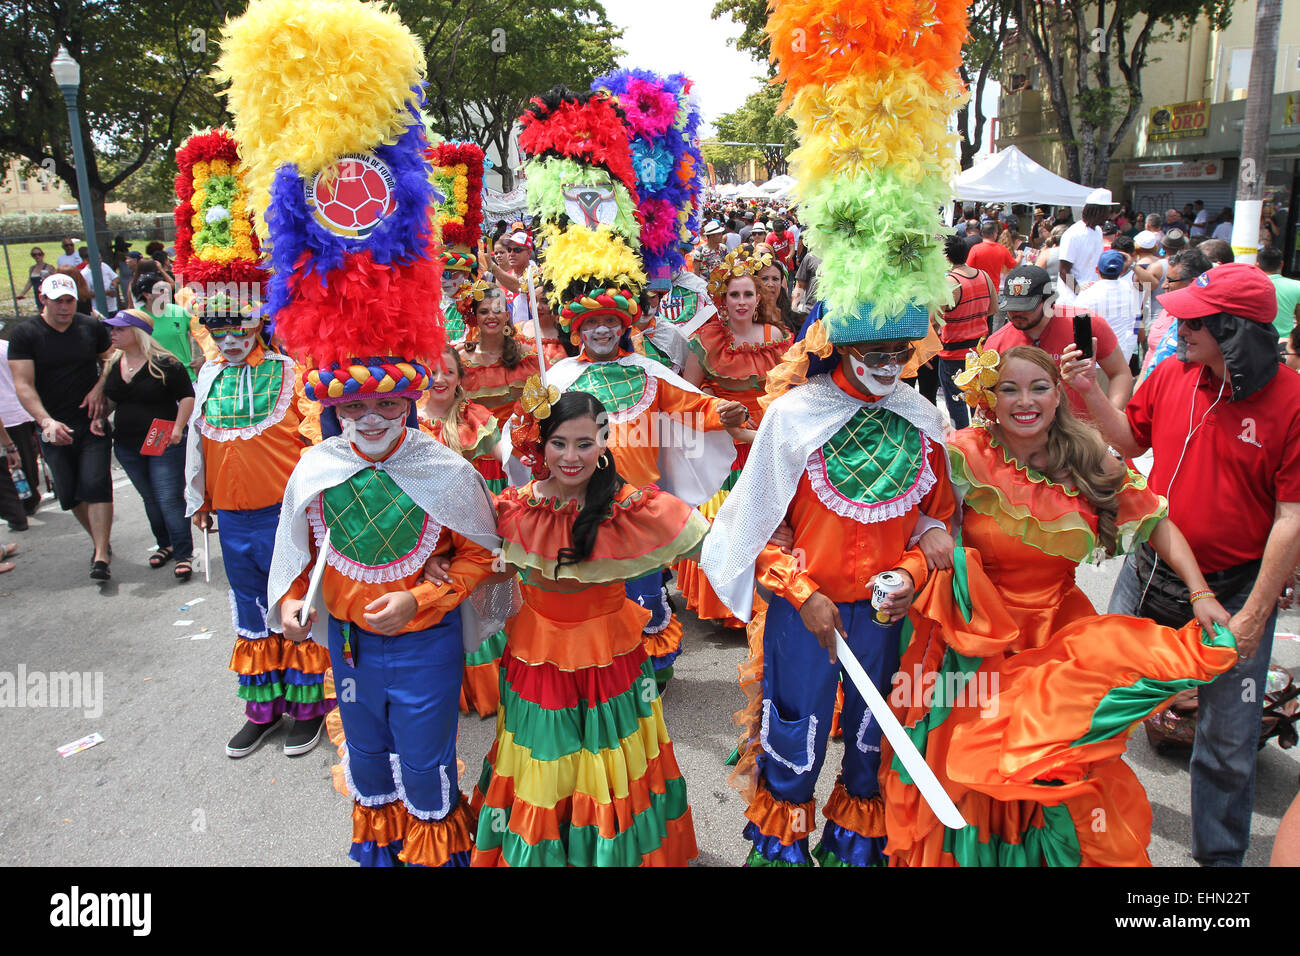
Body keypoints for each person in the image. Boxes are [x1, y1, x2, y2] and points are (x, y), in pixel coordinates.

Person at [880, 344, 1237, 866]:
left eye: (1039, 387)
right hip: (978, 641)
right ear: (988, 398)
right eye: (1009, 389)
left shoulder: (1086, 457)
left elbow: (1156, 520)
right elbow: (906, 513)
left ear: (1058, 394)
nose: (1025, 401)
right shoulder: (961, 452)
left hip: (1058, 639)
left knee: (1052, 770)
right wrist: (923, 543)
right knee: (976, 768)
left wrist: (1200, 592)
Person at [1063, 261, 1300, 866]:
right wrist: (1090, 392)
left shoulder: (1293, 404)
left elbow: (1291, 519)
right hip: (1148, 573)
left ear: (1236, 331)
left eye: (1194, 319)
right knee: (1096, 708)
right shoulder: (1171, 373)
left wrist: (1252, 615)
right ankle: (1073, 839)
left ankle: (1217, 872)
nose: (1178, 324)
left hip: (1235, 592)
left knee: (1226, 745)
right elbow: (1131, 441)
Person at [471, 389, 707, 866]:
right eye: (559, 443)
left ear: (604, 441)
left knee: (610, 756)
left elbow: (714, 549)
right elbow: (469, 560)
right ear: (540, 444)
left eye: (585, 443)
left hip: (612, 661)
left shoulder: (631, 506)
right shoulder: (514, 508)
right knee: (544, 759)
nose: (571, 457)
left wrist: (777, 543)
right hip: (537, 662)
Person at [183, 304, 322, 758]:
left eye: (238, 327)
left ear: (258, 325)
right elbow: (199, 441)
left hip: (284, 519)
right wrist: (201, 499)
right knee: (251, 611)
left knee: (292, 603)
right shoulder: (209, 376)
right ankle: (263, 712)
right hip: (231, 519)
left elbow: (317, 440)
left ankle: (308, 710)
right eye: (216, 329)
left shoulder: (291, 374)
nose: (229, 339)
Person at [676, 249, 790, 631]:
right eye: (733, 295)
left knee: (766, 517)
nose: (741, 302)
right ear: (721, 299)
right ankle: (726, 604)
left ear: (759, 298)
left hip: (766, 438)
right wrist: (724, 420)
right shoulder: (706, 339)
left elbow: (792, 393)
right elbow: (687, 396)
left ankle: (766, 597)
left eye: (747, 295)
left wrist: (760, 432)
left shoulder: (779, 338)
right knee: (726, 518)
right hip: (722, 442)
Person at [418, 346, 510, 720]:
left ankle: (487, 686)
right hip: (422, 530)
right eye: (432, 371)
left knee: (477, 597)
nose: (439, 379)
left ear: (459, 379)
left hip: (468, 524)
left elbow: (510, 458)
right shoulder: (407, 420)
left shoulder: (474, 416)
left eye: (448, 373)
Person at [8, 274, 114, 579]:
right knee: (70, 492)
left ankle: (102, 555)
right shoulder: (26, 334)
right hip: (52, 424)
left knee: (96, 483)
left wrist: (100, 388)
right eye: (59, 302)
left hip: (91, 422)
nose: (65, 308)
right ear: (43, 300)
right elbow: (23, 385)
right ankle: (99, 539)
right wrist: (46, 421)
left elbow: (111, 358)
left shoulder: (89, 326)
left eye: (70, 301)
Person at [97, 310, 195, 581]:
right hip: (127, 443)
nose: (113, 334)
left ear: (137, 332)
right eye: (112, 329)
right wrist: (100, 418)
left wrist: (177, 427)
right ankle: (166, 544)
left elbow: (186, 397)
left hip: (163, 439)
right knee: (150, 497)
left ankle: (184, 552)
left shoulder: (166, 363)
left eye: (119, 329)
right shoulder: (113, 362)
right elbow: (114, 398)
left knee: (168, 497)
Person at [985, 265, 1132, 420]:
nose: (1017, 313)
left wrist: (1111, 420)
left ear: (1049, 302)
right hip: (1024, 436)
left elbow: (1120, 373)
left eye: (1026, 307)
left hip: (1081, 435)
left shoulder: (1086, 325)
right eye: (1012, 307)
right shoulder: (997, 343)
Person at [455, 281, 539, 428]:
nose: (491, 316)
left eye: (497, 311)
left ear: (507, 315)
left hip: (518, 445)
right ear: (475, 317)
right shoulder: (461, 358)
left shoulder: (527, 357)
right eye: (484, 312)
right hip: (477, 445)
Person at [937, 234, 996, 429]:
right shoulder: (984, 275)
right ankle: (979, 439)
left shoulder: (951, 283)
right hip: (978, 352)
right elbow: (993, 309)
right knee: (977, 401)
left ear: (946, 257)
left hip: (953, 353)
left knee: (957, 404)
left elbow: (934, 317)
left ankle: (962, 443)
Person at [1138, 248, 1213, 384]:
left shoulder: (1205, 325)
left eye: (1170, 280)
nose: (1164, 285)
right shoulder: (1165, 311)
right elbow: (1151, 356)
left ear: (1193, 282)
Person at [0, 338, 42, 530]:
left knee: (13, 461)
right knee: (26, 456)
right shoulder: (8, 346)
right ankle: (29, 500)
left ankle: (24, 503)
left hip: (10, 411)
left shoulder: (9, 346)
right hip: (19, 409)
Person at [1075, 249, 1142, 363]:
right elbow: (1135, 325)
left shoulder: (1087, 293)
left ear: (1097, 269)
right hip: (1121, 359)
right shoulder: (1130, 290)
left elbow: (1077, 328)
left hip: (1093, 361)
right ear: (1121, 271)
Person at [132, 272, 199, 380]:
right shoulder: (137, 318)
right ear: (147, 295)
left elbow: (204, 335)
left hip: (186, 378)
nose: (167, 292)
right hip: (153, 380)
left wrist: (203, 358)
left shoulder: (180, 312)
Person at [1058, 188, 1115, 291]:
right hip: (1072, 297)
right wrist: (1078, 291)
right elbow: (1063, 271)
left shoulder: (1098, 231)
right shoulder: (1073, 234)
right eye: (1107, 211)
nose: (1108, 216)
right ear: (1098, 211)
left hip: (1092, 293)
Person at [1259, 245, 1300, 342]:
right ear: (1282, 264)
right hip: (1285, 342)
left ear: (1257, 264)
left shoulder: (1250, 285)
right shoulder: (1297, 286)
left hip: (1257, 340)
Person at [967, 220, 1018, 290]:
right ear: (995, 234)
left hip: (978, 289)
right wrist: (1020, 256)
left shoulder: (975, 249)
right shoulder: (1002, 249)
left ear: (982, 233)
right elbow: (1013, 264)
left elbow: (968, 268)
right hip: (993, 289)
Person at [19, 248, 54, 314]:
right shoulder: (32, 268)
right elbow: (30, 282)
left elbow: (54, 279)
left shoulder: (49, 267)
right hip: (37, 294)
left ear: (43, 255)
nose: (37, 256)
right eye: (34, 255)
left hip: (47, 294)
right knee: (41, 312)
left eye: (39, 254)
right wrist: (22, 293)